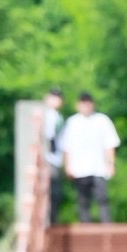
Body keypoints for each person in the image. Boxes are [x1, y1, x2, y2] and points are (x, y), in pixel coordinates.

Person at [60, 92, 120, 225]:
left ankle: (106, 228)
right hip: (79, 169)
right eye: (83, 103)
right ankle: (86, 228)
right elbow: (66, 147)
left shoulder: (102, 120)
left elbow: (109, 145)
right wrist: (67, 166)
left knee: (102, 199)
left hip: (99, 168)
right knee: (82, 201)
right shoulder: (72, 122)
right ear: (78, 105)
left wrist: (111, 164)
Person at [41, 84, 66, 226]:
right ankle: (48, 222)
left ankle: (52, 221)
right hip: (47, 159)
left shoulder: (57, 116)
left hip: (55, 158)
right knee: (48, 193)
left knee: (55, 194)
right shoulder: (44, 114)